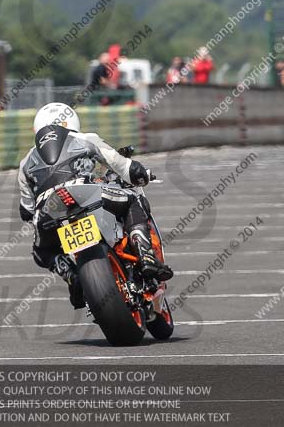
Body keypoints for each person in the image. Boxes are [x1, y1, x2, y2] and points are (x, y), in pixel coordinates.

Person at [17, 102, 174, 308]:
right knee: (133, 199)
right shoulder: (85, 138)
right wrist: (141, 174)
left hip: (48, 210)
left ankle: (70, 274)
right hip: (85, 194)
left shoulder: (25, 162)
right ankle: (145, 255)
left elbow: (27, 210)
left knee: (41, 251)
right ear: (71, 121)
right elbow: (122, 165)